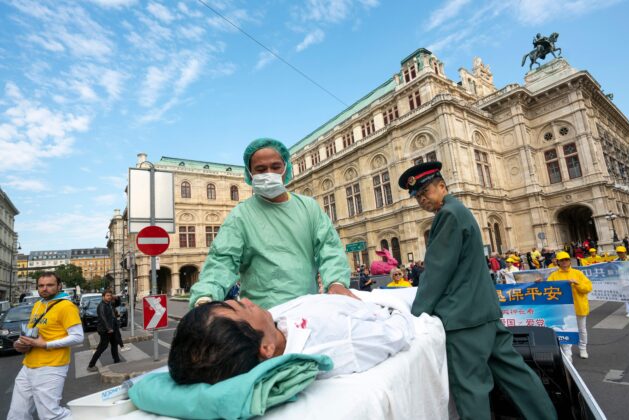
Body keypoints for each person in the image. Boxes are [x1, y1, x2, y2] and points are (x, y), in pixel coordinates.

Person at [398, 161, 555, 420]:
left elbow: (437, 270)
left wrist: (416, 316)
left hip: (463, 318)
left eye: (426, 192)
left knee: (470, 387)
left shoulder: (447, 215)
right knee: (516, 375)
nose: (422, 200)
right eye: (418, 197)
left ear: (442, 186)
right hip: (485, 312)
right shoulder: (460, 210)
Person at [189, 138, 352, 310]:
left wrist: (336, 282)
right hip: (262, 319)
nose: (269, 173)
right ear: (250, 174)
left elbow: (330, 248)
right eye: (260, 169)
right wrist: (205, 297)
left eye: (275, 167)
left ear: (286, 168)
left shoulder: (309, 208)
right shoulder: (241, 216)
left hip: (306, 312)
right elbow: (222, 259)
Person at [168, 294, 414, 384]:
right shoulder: (342, 343)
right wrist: (391, 304)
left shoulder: (272, 324)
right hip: (384, 302)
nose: (248, 300)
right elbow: (398, 330)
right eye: (244, 308)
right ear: (266, 348)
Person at [8, 272, 84, 420]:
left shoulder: (66, 306)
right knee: (17, 414)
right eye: (41, 285)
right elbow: (33, 333)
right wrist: (19, 344)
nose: (45, 289)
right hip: (28, 365)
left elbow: (78, 337)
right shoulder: (38, 305)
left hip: (51, 366)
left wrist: (45, 344)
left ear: (59, 286)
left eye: (50, 285)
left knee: (50, 415)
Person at [546, 252, 593, 360]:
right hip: (563, 309)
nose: (564, 262)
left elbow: (588, 288)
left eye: (566, 259)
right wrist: (538, 284)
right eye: (562, 260)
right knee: (565, 330)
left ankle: (583, 348)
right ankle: (567, 352)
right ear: (557, 262)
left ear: (569, 261)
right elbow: (547, 290)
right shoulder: (554, 275)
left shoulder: (578, 273)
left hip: (579, 306)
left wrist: (577, 284)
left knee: (582, 329)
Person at [87, 289, 121, 371]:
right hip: (105, 330)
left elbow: (118, 304)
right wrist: (108, 328)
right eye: (107, 296)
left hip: (112, 328)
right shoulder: (101, 306)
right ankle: (91, 365)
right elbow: (103, 318)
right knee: (102, 347)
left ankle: (117, 360)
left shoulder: (109, 304)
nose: (109, 297)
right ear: (103, 297)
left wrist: (117, 298)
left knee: (114, 343)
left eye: (110, 295)